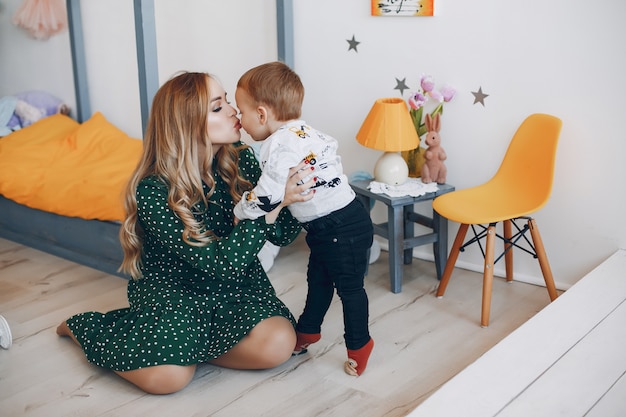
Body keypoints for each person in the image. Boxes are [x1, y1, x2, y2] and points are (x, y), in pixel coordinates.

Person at [56, 71, 315, 395]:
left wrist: (295, 193)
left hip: (235, 289)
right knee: (168, 379)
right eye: (218, 107)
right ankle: (90, 327)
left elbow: (283, 236)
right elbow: (224, 262)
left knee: (279, 343)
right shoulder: (153, 191)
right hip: (174, 293)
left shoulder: (243, 159)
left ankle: (186, 350)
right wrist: (271, 206)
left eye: (228, 102)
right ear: (188, 124)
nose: (235, 111)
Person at [233, 61, 374, 376]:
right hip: (330, 225)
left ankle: (360, 344)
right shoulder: (306, 132)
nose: (240, 121)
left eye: (241, 112)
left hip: (341, 225)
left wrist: (240, 209)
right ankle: (309, 331)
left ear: (261, 114)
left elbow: (268, 196)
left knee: (350, 290)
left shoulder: (278, 146)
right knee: (319, 281)